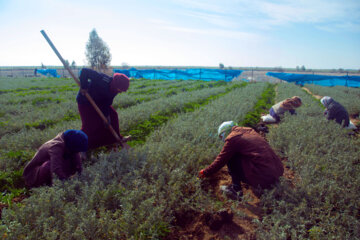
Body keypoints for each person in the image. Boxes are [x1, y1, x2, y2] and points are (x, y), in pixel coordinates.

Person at [199, 121, 284, 199]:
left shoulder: (233, 138)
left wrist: (205, 172)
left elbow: (221, 160)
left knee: (231, 157)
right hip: (278, 171)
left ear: (225, 133)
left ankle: (236, 190)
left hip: (264, 177)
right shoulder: (249, 131)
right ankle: (270, 181)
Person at [76, 68, 130, 150]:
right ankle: (81, 147)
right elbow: (84, 71)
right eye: (120, 89)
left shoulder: (114, 90)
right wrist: (84, 86)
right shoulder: (102, 79)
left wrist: (107, 116)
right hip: (85, 102)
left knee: (113, 116)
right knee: (89, 125)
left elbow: (106, 103)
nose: (120, 92)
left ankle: (115, 139)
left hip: (99, 103)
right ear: (115, 84)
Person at [23, 130, 88, 188]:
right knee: (48, 165)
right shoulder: (56, 147)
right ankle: (44, 186)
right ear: (71, 145)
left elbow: (78, 164)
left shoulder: (70, 144)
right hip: (33, 177)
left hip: (50, 170)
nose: (77, 152)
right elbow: (55, 170)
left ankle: (52, 183)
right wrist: (67, 185)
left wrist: (80, 176)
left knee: (70, 161)